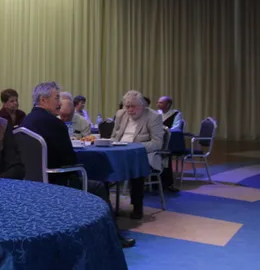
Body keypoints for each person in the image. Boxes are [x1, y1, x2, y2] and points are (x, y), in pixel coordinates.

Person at [21, 82, 135, 248]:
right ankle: (113, 237)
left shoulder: (25, 121)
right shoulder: (55, 124)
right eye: (56, 98)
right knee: (98, 186)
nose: (59, 103)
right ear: (43, 100)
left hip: (31, 183)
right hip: (56, 182)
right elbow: (69, 161)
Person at [112, 90, 164, 219]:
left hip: (141, 155)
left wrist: (135, 148)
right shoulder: (120, 114)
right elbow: (114, 136)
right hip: (118, 152)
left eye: (133, 106)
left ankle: (137, 206)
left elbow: (158, 143)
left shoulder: (153, 117)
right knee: (102, 164)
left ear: (142, 105)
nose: (130, 110)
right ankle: (105, 204)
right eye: (127, 106)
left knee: (137, 166)